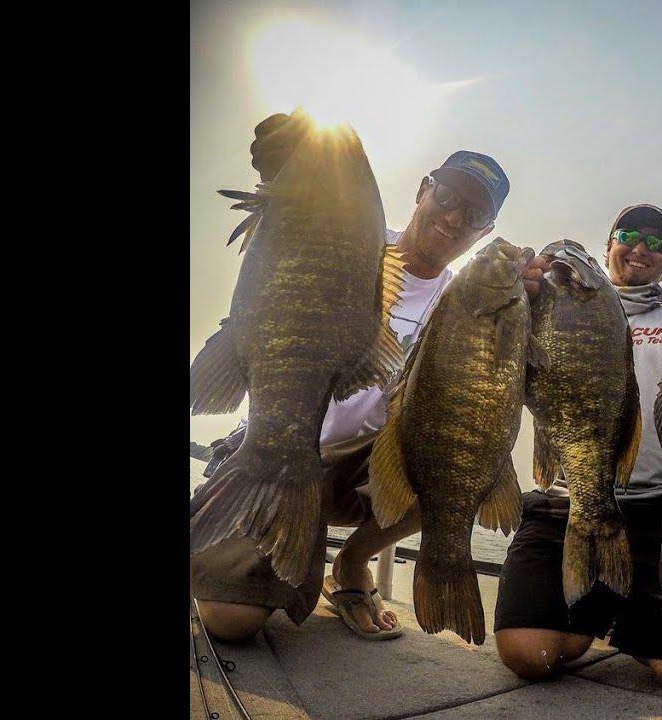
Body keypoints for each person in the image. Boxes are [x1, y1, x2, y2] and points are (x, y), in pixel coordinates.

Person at [190, 110, 511, 643]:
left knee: (461, 463)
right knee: (229, 621)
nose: (454, 218)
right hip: (279, 447)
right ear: (423, 190)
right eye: (449, 196)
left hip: (366, 474)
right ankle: (291, 533)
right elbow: (286, 236)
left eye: (473, 213)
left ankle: (353, 565)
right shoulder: (353, 236)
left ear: (486, 231)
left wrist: (540, 297)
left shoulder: (469, 303)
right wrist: (280, 170)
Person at [494, 204, 662, 688]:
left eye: (658, 242)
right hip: (565, 500)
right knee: (533, 656)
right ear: (607, 247)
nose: (641, 247)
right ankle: (607, 609)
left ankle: (619, 608)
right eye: (629, 234)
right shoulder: (540, 309)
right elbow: (496, 362)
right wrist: (511, 292)